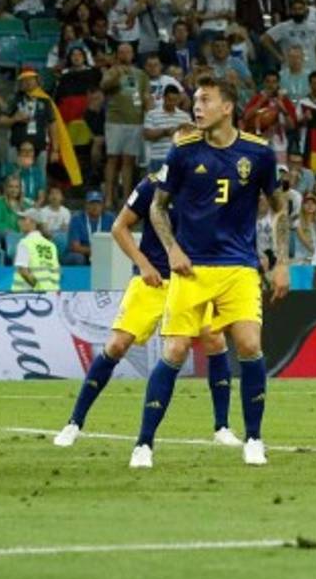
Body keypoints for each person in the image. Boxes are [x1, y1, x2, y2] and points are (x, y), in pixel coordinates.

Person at [130, 75, 290, 469]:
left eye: (205, 100)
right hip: (193, 270)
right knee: (175, 350)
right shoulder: (183, 151)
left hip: (239, 267)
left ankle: (254, 439)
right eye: (195, 100)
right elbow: (157, 207)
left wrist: (283, 262)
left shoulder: (258, 153)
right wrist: (172, 249)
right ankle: (143, 444)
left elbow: (279, 207)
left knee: (249, 345)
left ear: (227, 107)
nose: (196, 107)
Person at [54, 159, 244, 449]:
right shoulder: (152, 185)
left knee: (215, 340)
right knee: (117, 345)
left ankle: (222, 427)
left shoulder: (209, 188)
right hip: (152, 281)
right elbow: (119, 227)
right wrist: (143, 264)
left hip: (191, 283)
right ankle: (74, 423)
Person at [11, 208, 60, 291]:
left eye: (23, 219)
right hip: (51, 292)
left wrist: (38, 288)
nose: (19, 222)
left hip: (27, 294)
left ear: (33, 223)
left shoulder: (25, 243)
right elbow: (57, 271)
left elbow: (23, 271)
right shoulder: (51, 245)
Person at [63, 190, 113, 265]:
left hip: (103, 252)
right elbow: (75, 247)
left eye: (98, 203)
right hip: (80, 253)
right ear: (86, 205)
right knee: (78, 258)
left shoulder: (110, 218)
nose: (95, 206)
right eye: (91, 203)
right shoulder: (77, 219)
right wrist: (96, 251)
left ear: (103, 205)